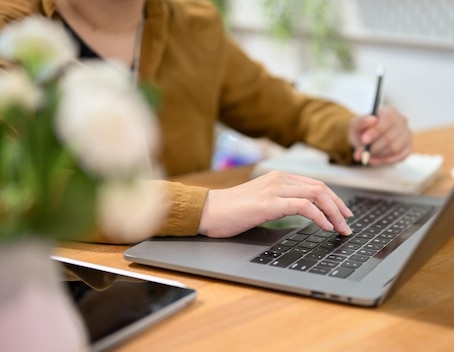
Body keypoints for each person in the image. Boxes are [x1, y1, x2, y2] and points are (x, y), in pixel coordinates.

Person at [0, 0, 413, 244]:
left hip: (180, 267)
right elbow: (19, 191)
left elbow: (291, 110)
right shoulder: (12, 27)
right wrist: (206, 207)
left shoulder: (195, 23)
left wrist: (354, 131)